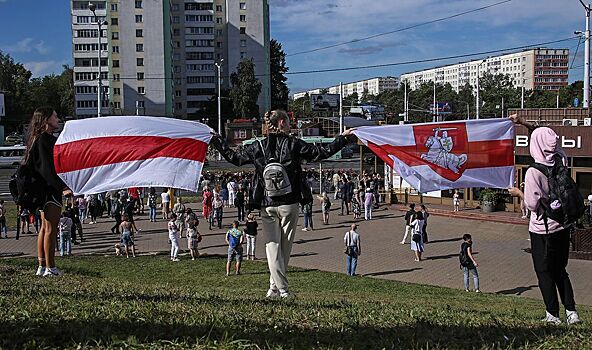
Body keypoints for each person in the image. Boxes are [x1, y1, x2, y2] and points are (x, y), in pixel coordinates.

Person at [211, 109, 355, 298]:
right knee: (285, 248)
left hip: (267, 202)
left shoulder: (258, 146)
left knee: (272, 246)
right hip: (290, 201)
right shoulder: (294, 144)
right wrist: (342, 138)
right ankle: (284, 290)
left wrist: (216, 140)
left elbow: (234, 158)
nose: (290, 125)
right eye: (287, 122)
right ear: (280, 123)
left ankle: (273, 288)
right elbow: (320, 152)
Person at [508, 126, 581, 325]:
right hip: (563, 225)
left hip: (543, 229)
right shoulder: (562, 159)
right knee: (560, 270)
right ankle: (572, 312)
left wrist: (518, 193)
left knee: (544, 271)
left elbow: (532, 204)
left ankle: (552, 314)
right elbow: (549, 140)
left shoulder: (533, 172)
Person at [25, 108, 72, 277]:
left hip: (41, 191)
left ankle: (41, 266)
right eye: (55, 116)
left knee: (44, 228)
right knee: (51, 229)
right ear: (46, 120)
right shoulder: (45, 140)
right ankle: (51, 268)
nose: (57, 119)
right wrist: (63, 187)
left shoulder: (35, 139)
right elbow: (47, 168)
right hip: (49, 190)